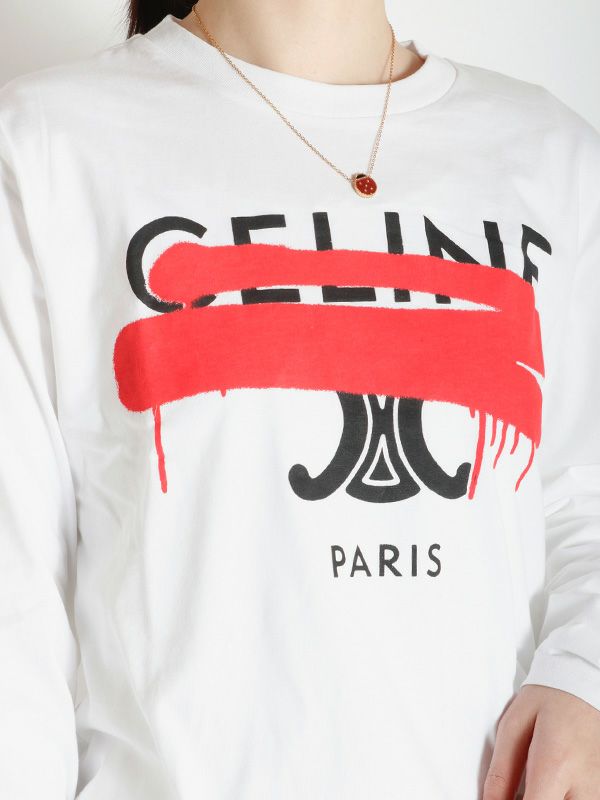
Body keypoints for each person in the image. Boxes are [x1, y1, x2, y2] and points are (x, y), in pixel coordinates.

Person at [0, 0, 599, 797]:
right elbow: (15, 608)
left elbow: (580, 494)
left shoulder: (552, 153)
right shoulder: (46, 144)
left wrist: (584, 673)